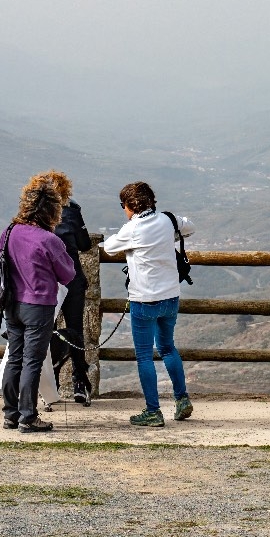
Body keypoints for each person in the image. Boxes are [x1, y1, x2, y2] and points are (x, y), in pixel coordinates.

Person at [103, 181, 195, 427]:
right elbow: (190, 227)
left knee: (144, 356)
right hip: (171, 296)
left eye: (123, 205)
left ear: (131, 205)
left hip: (144, 300)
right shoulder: (168, 220)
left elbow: (110, 248)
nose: (124, 210)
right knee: (168, 348)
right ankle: (182, 399)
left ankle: (153, 411)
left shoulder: (132, 229)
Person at [0, 172, 76, 433]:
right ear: (51, 211)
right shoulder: (49, 240)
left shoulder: (9, 232)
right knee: (32, 361)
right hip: (39, 305)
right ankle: (28, 417)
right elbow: (68, 274)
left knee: (14, 359)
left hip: (12, 304)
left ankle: (11, 414)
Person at [49, 171, 94, 405]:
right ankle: (80, 383)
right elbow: (85, 243)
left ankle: (51, 384)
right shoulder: (72, 211)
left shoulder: (38, 217)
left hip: (47, 282)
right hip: (73, 280)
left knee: (48, 332)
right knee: (75, 330)